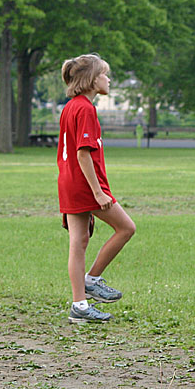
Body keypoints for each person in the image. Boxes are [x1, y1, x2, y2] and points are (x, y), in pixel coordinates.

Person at [58, 54, 136, 324]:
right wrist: (99, 192)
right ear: (91, 80)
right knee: (126, 228)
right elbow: (83, 155)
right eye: (105, 74)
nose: (109, 79)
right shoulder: (86, 109)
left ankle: (79, 305)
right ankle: (92, 280)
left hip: (68, 183)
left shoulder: (70, 106)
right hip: (85, 186)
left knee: (78, 244)